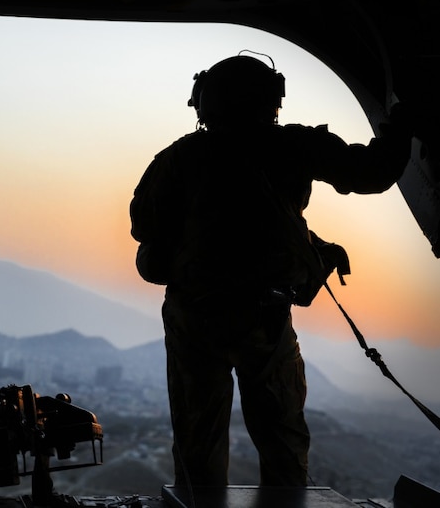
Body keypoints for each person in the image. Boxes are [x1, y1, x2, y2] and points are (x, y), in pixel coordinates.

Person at [129, 54, 412, 488]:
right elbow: (373, 172)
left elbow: (143, 227)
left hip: (196, 316)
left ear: (206, 101)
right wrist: (404, 120)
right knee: (282, 443)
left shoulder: (180, 157)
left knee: (197, 444)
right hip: (267, 317)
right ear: (270, 99)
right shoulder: (294, 146)